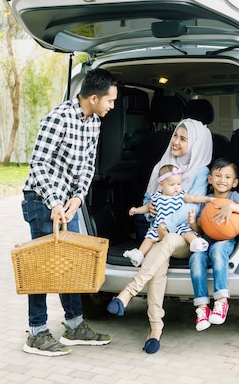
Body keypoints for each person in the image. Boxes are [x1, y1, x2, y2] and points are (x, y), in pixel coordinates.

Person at [21, 68, 118, 357]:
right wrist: (54, 203)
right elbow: (37, 164)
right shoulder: (58, 119)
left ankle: (74, 326)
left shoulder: (94, 123)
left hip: (66, 202)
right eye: (110, 101)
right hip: (42, 200)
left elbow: (88, 165)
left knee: (68, 263)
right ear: (93, 97)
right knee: (43, 266)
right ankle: (36, 332)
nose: (112, 106)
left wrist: (77, 198)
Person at [106, 118, 212, 354]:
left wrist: (165, 226)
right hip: (159, 236)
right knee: (159, 265)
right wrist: (150, 213)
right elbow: (148, 201)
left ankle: (128, 292)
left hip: (184, 238)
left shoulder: (200, 171)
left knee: (169, 241)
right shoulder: (161, 166)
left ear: (196, 143)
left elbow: (190, 209)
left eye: (183, 139)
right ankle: (155, 329)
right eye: (175, 135)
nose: (175, 142)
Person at [187, 158, 239, 331]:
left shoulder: (234, 196)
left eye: (227, 176)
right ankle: (202, 307)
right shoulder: (207, 199)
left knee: (217, 251)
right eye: (218, 175)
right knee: (196, 258)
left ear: (234, 182)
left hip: (226, 239)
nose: (222, 180)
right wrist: (193, 222)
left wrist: (231, 207)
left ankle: (221, 301)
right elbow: (201, 228)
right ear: (210, 179)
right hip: (207, 239)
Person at [123, 164, 213, 267]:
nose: (176, 187)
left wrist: (207, 199)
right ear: (161, 185)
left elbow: (193, 198)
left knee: (186, 231)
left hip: (177, 225)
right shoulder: (156, 197)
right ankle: (139, 254)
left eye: (179, 184)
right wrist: (137, 210)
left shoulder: (181, 195)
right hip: (159, 227)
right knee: (149, 239)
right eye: (172, 184)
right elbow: (147, 208)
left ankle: (195, 242)